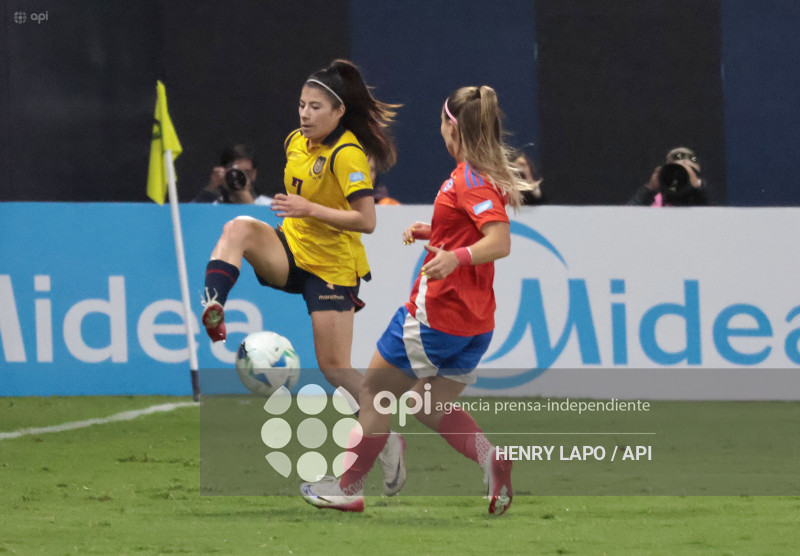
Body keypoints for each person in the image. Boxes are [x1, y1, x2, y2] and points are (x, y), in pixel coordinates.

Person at [300, 85, 529, 516]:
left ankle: (348, 487)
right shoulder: (478, 176)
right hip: (475, 326)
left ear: (451, 127)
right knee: (430, 405)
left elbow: (499, 242)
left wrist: (453, 257)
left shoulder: (470, 178)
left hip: (436, 317)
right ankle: (490, 459)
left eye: (442, 122)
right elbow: (476, 231)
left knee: (373, 394)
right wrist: (437, 234)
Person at [200, 59, 406, 494]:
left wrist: (309, 209)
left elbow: (367, 220)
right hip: (291, 250)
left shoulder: (347, 153)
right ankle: (214, 304)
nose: (304, 114)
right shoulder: (296, 142)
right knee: (238, 227)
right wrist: (301, 215)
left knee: (335, 369)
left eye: (315, 107)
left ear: (337, 113)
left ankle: (385, 437)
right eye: (301, 105)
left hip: (332, 268)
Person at [627, 146, 712, 206]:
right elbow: (624, 220)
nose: (678, 178)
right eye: (675, 172)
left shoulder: (702, 199)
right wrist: (649, 190)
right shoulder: (655, 202)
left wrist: (698, 189)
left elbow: (715, 221)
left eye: (688, 173)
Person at [192, 144, 272, 205]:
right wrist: (210, 189)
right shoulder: (213, 206)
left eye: (246, 172)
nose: (240, 177)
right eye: (236, 172)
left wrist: (249, 203)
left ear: (254, 174)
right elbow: (190, 218)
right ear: (225, 173)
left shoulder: (269, 206)